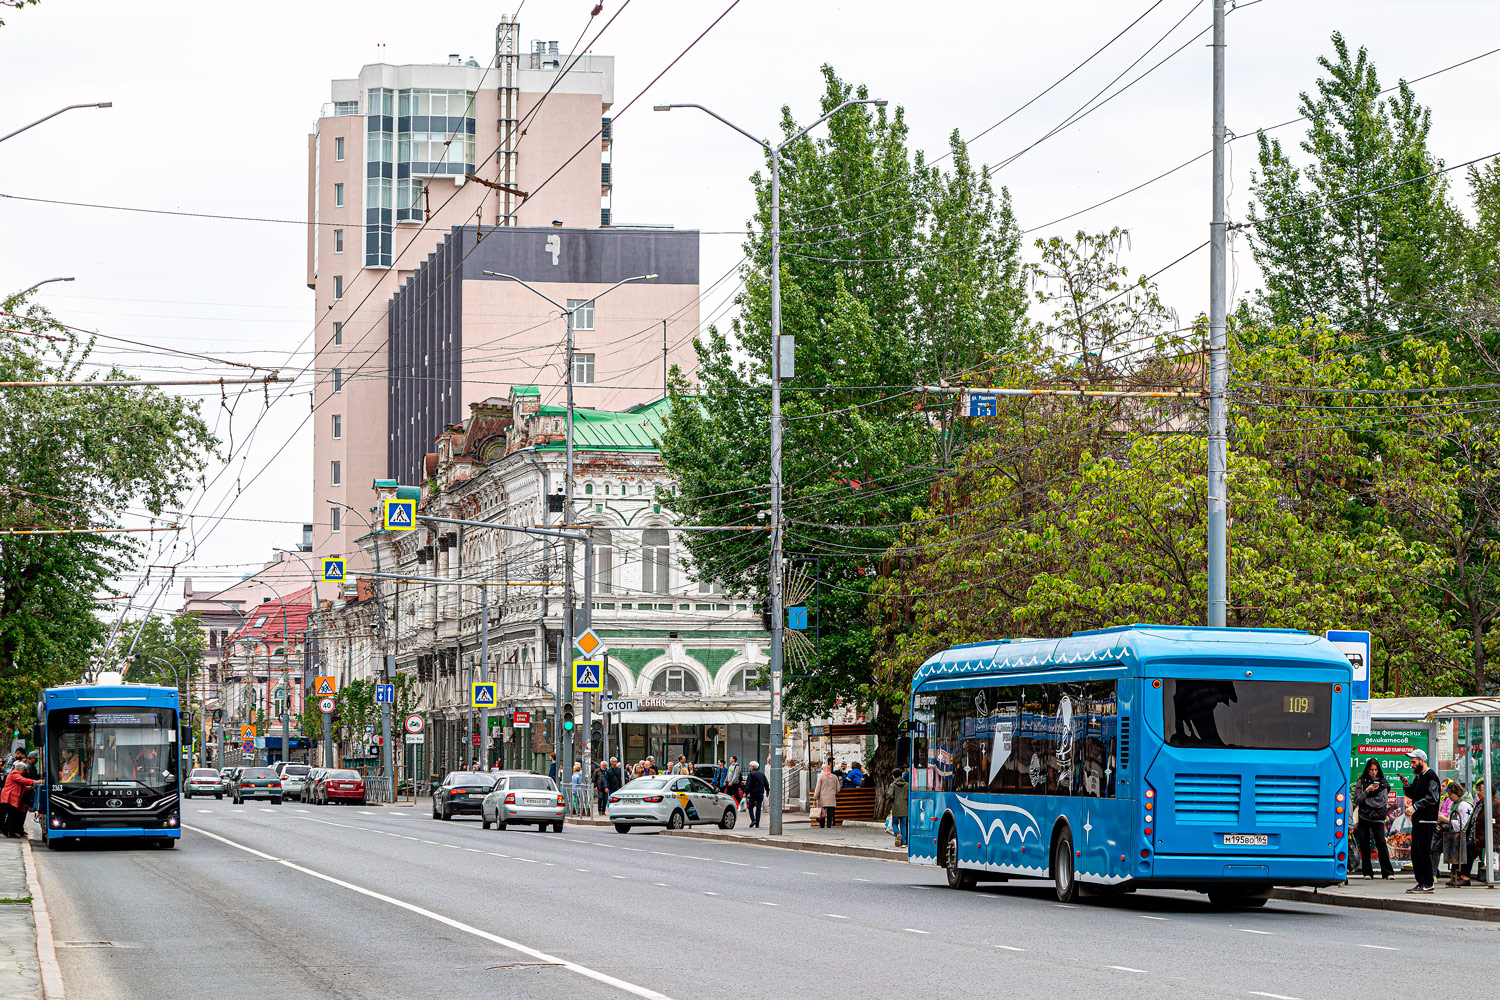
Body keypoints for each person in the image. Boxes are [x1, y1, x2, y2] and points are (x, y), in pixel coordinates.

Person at [1402, 749, 1442, 893]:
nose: (1411, 765)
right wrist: (1406, 785)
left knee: (1424, 851)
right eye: (1411, 762)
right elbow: (1413, 793)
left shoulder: (1431, 776)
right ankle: (1421, 882)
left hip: (1427, 820)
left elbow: (1432, 798)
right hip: (1419, 820)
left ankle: (1428, 882)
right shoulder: (1419, 777)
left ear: (1422, 761)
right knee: (1416, 852)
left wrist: (1415, 807)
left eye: (1413, 762)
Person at [1352, 757, 1393, 879]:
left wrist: (1366, 800)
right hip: (1364, 817)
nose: (1373, 772)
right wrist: (1367, 791)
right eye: (1371, 770)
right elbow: (1357, 799)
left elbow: (1381, 801)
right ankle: (1367, 872)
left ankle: (1388, 872)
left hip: (1378, 818)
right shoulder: (1362, 781)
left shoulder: (1383, 782)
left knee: (1381, 843)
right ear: (1367, 770)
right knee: (1364, 845)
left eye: (1375, 770)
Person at [1443, 781, 1473, 886]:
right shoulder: (1457, 803)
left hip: (1463, 835)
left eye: (1451, 794)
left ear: (1457, 793)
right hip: (1456, 834)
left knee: (1460, 855)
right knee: (1455, 855)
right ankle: (1455, 875)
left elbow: (1462, 824)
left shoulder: (1463, 805)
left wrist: (1446, 821)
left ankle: (1461, 875)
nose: (1449, 797)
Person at [1, 759, 35, 838]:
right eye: (23, 770)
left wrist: (28, 787)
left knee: (12, 815)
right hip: (8, 798)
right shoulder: (14, 774)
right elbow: (23, 780)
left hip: (10, 798)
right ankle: (8, 831)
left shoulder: (15, 774)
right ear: (18, 768)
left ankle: (8, 831)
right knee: (12, 815)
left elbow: (21, 785)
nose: (24, 772)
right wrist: (35, 781)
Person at [813, 762, 840, 829]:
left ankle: (822, 825)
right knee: (830, 813)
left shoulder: (821, 777)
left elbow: (818, 788)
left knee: (822, 813)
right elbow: (838, 788)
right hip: (831, 798)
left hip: (822, 798)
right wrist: (834, 793)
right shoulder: (834, 777)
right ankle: (829, 825)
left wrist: (815, 797)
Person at [744, 761, 769, 828]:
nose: (750, 767)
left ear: (752, 767)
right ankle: (757, 823)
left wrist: (745, 792)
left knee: (750, 807)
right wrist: (767, 791)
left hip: (753, 793)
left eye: (750, 766)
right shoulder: (762, 774)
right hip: (760, 793)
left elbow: (748, 784)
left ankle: (753, 819)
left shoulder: (751, 774)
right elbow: (766, 783)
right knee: (758, 808)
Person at [889, 768, 909, 847]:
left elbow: (890, 794)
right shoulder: (907, 785)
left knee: (894, 823)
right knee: (903, 825)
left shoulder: (893, 785)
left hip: (896, 807)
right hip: (905, 807)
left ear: (893, 776)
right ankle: (904, 841)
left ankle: (897, 833)